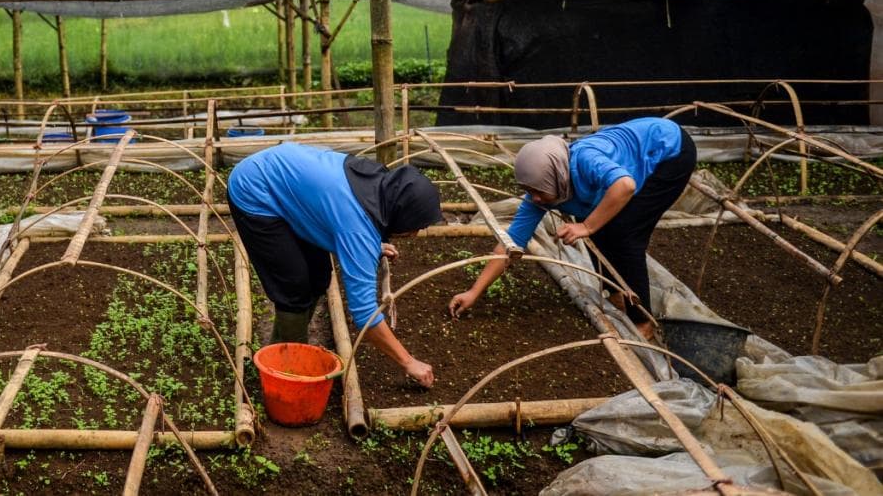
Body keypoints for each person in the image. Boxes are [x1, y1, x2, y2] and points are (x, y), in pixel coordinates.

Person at [449, 117, 696, 340]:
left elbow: (625, 185)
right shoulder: (544, 190)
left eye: (538, 190)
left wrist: (587, 226)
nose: (534, 197)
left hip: (669, 151)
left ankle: (643, 321)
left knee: (625, 235)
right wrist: (473, 292)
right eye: (529, 190)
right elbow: (510, 244)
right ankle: (617, 295)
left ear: (555, 176)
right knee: (601, 228)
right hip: (636, 160)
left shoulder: (585, 161)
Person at [227, 141, 444, 388]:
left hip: (286, 177)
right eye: (416, 226)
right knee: (293, 287)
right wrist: (408, 361)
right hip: (254, 189)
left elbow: (341, 219)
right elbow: (365, 315)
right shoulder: (357, 228)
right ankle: (287, 368)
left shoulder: (378, 186)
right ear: (402, 214)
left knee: (319, 276)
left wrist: (371, 245)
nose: (415, 234)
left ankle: (281, 345)